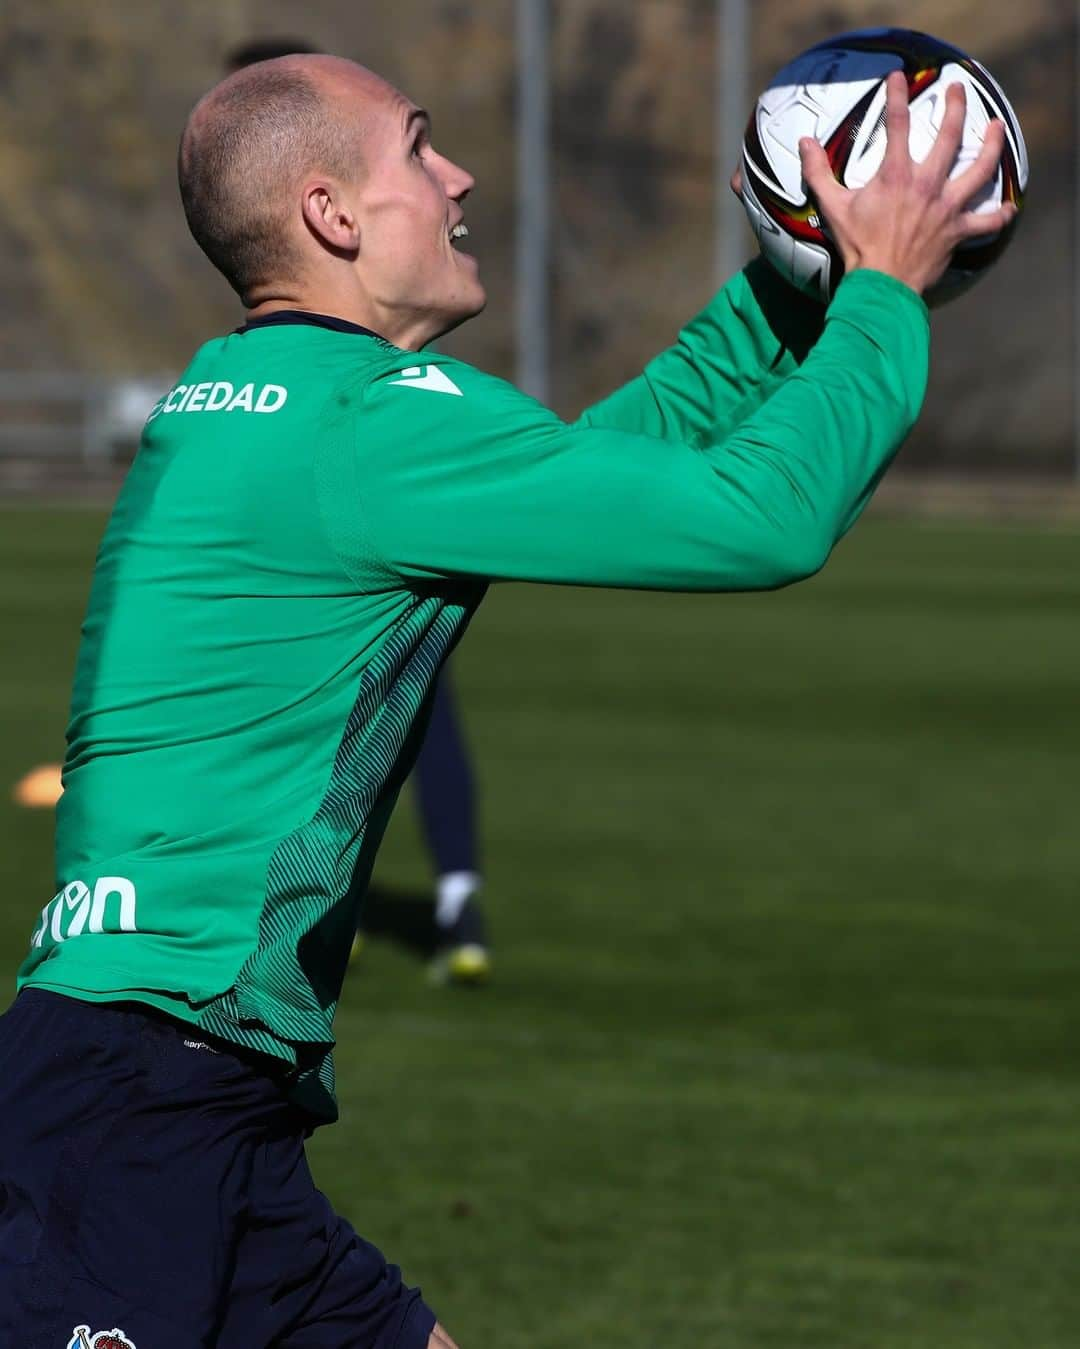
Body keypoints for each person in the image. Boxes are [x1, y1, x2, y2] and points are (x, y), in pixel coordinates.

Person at [0, 53, 1012, 1349]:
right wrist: (877, 295)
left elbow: (618, 465)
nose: (459, 174)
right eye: (419, 148)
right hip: (135, 1108)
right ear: (334, 214)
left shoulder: (277, 404)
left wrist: (795, 268)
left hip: (188, 1098)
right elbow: (763, 520)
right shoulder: (364, 427)